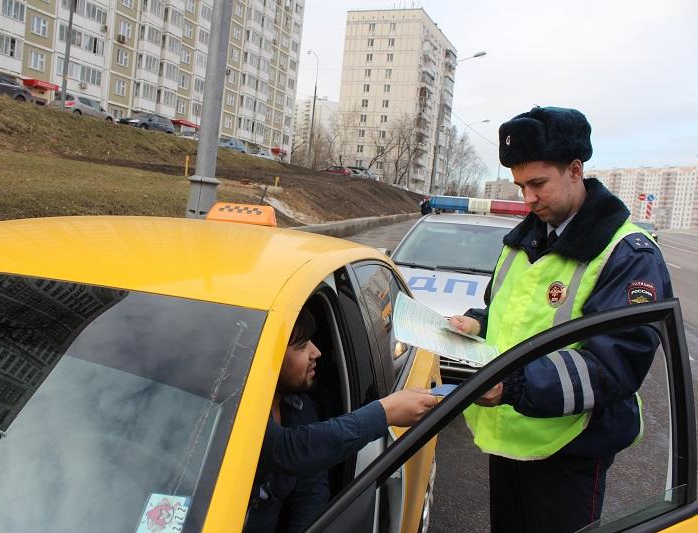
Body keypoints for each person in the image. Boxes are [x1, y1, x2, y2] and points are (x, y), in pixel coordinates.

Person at [448, 106, 673, 533]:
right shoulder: (523, 241)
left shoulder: (627, 253)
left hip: (569, 448)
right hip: (510, 435)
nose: (527, 199)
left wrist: (509, 384)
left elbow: (614, 365)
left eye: (537, 184)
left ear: (575, 170)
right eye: (520, 186)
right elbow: (509, 314)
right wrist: (476, 323)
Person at [244, 307, 439, 532]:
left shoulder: (300, 408)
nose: (316, 352)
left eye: (311, 341)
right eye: (301, 346)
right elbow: (288, 449)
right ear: (266, 358)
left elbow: (310, 487)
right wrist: (385, 412)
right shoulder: (236, 416)